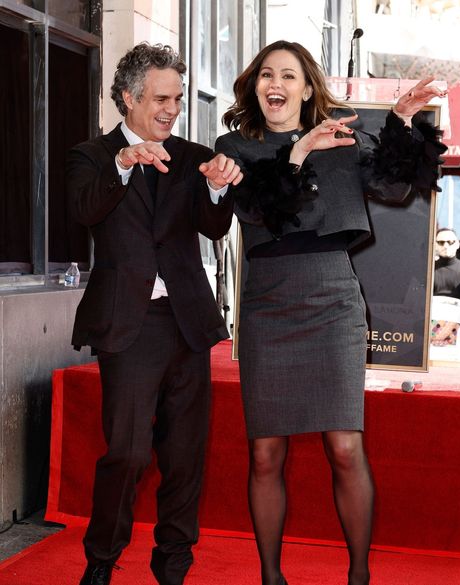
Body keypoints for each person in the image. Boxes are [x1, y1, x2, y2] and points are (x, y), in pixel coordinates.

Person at [215, 40, 446, 585]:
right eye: (266, 75)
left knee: (345, 447)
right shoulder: (235, 147)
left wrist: (403, 117)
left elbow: (393, 184)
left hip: (334, 303)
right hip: (269, 307)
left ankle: (359, 575)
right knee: (266, 453)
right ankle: (272, 577)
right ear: (254, 87)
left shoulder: (341, 139)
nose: (276, 84)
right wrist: (297, 153)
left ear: (306, 87)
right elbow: (256, 210)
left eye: (289, 76)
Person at [67, 42, 242, 585]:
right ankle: (101, 561)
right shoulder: (92, 156)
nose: (172, 109)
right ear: (128, 98)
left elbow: (213, 228)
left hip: (187, 325)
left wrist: (216, 187)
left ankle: (173, 566)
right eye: (161, 99)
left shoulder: (192, 157)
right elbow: (84, 210)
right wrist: (123, 164)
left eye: (178, 99)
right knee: (126, 450)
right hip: (128, 326)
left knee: (185, 456)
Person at [434, 227, 460, 295]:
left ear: (457, 244)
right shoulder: (427, 271)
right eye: (441, 242)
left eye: (450, 242)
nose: (446, 246)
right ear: (435, 245)